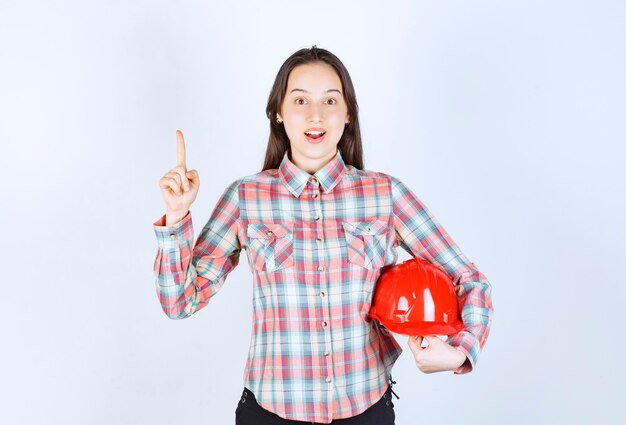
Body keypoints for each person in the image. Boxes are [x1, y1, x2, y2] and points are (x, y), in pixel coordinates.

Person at [153, 46, 494, 425]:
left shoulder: (386, 195)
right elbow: (179, 301)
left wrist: (462, 352)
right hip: (269, 413)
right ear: (278, 112)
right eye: (300, 100)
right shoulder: (245, 198)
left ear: (347, 113)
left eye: (330, 100)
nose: (316, 115)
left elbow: (469, 278)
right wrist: (177, 214)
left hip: (365, 411)